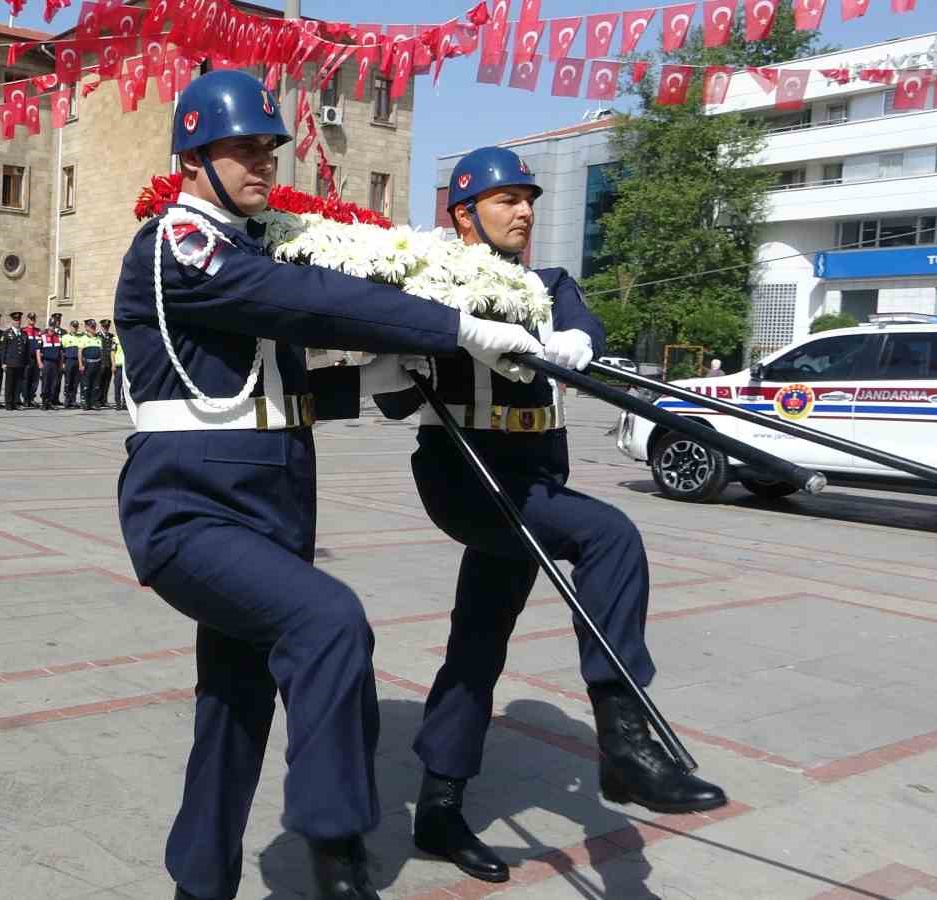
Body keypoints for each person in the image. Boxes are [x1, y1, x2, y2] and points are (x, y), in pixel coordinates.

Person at [116, 70, 543, 900]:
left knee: (233, 709)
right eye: (242, 147)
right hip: (189, 512)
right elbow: (302, 301)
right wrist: (459, 324)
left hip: (268, 514)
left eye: (269, 148)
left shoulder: (247, 246)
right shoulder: (181, 241)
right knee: (331, 622)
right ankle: (337, 842)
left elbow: (268, 396)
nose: (261, 163)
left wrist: (388, 380)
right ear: (194, 150)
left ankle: (198, 882)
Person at [369, 146, 728, 885]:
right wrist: (423, 341)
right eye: (506, 200)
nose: (524, 211)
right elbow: (393, 400)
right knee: (611, 534)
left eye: (528, 199)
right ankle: (625, 738)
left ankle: (439, 803)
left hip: (537, 474)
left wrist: (570, 343)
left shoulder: (549, 283)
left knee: (477, 643)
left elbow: (581, 329)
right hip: (466, 475)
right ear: (463, 214)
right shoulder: (432, 286)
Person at [2, 310, 29, 410]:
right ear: (12, 321)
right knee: (9, 384)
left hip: (20, 363)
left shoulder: (23, 334)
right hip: (10, 363)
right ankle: (8, 403)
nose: (17, 322)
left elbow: (27, 349)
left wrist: (26, 362)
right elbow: (3, 349)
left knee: (18, 384)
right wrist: (3, 362)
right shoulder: (7, 333)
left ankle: (16, 402)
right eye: (16, 320)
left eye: (19, 320)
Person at [38, 312, 64, 411]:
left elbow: (61, 352)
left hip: (56, 363)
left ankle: (50, 402)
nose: (52, 328)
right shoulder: (43, 336)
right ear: (48, 326)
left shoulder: (58, 336)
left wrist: (61, 364)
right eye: (51, 326)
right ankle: (44, 402)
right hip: (47, 363)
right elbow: (38, 350)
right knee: (45, 383)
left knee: (54, 383)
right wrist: (40, 363)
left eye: (53, 326)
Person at [78, 318, 104, 411]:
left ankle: (94, 402)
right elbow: (80, 352)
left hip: (97, 363)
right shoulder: (83, 338)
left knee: (96, 384)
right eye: (91, 326)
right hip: (87, 364)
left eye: (94, 326)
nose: (93, 328)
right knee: (86, 384)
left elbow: (101, 352)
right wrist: (80, 364)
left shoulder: (98, 338)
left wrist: (101, 363)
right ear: (86, 327)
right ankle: (85, 402)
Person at [62, 318, 83, 409]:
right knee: (68, 381)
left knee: (75, 381)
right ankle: (67, 400)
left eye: (76, 327)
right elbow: (62, 351)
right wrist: (63, 363)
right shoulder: (65, 337)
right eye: (73, 327)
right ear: (70, 327)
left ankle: (73, 400)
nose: (75, 328)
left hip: (77, 361)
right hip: (69, 361)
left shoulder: (80, 337)